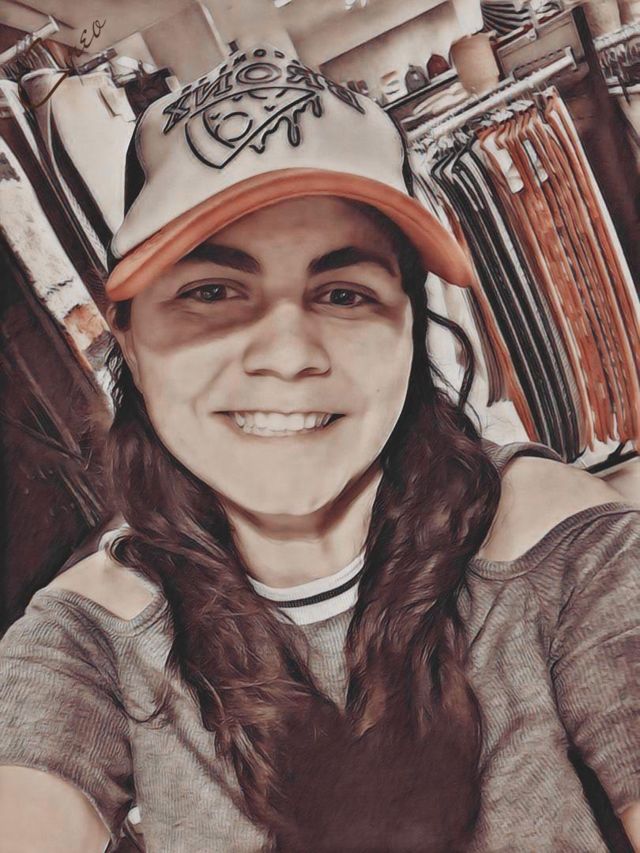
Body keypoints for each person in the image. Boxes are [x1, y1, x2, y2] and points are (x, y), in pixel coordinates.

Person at [0, 44, 638, 853]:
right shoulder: (86, 635)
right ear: (126, 335)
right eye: (212, 291)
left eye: (343, 292)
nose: (288, 354)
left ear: (409, 327)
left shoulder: (565, 550)